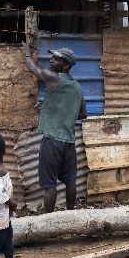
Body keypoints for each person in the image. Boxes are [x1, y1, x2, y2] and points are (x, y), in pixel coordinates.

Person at [22, 43, 88, 213]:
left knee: (50, 185)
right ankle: (70, 215)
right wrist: (61, 111)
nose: (51, 60)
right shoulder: (77, 86)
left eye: (56, 59)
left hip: (52, 140)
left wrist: (27, 52)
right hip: (69, 142)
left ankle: (48, 221)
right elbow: (83, 114)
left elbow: (32, 68)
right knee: (70, 181)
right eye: (52, 57)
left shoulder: (54, 78)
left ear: (66, 66)